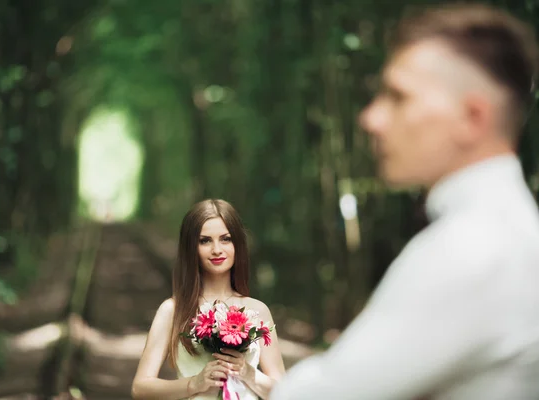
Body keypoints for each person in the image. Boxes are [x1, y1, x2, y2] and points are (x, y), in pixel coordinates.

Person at [270, 3, 539, 400]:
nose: (372, 119)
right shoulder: (509, 227)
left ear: (473, 117)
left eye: (399, 97)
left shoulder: (474, 247)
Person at [132, 199, 285, 400]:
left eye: (226, 239)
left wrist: (249, 373)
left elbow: (285, 392)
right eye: (205, 240)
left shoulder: (258, 310)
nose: (217, 249)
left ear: (237, 243)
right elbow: (140, 388)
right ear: (191, 247)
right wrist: (194, 383)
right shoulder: (173, 310)